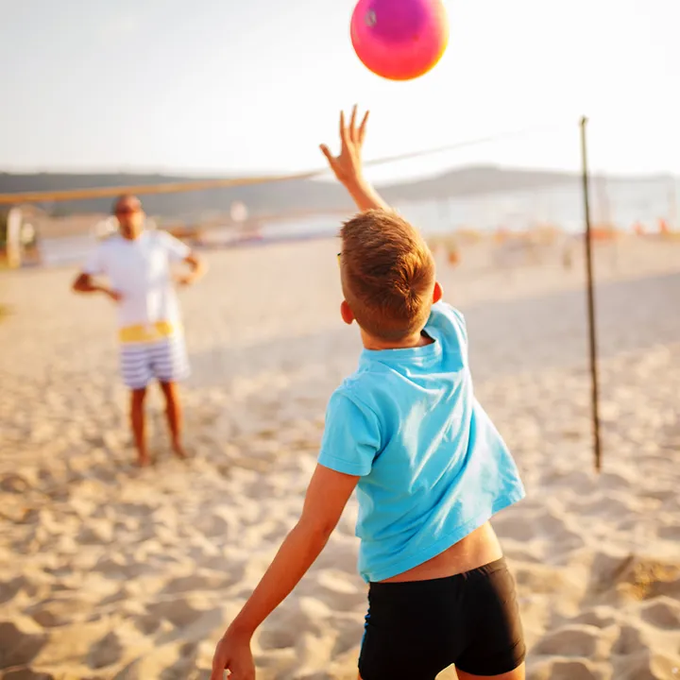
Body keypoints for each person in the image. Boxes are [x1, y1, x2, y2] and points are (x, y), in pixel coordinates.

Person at [210, 107, 526, 680]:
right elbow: (411, 254)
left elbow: (313, 528)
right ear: (435, 293)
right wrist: (358, 184)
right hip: (490, 582)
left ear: (344, 312)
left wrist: (242, 627)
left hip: (411, 608)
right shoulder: (450, 335)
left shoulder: (357, 401)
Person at [72, 194, 206, 467]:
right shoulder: (107, 249)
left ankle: (177, 444)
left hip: (165, 327)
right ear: (117, 216)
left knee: (170, 390)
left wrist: (191, 277)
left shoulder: (159, 240)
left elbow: (197, 262)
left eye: (133, 208)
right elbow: (79, 283)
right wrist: (103, 289)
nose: (129, 214)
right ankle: (142, 453)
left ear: (141, 213)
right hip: (132, 333)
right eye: (123, 210)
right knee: (138, 394)